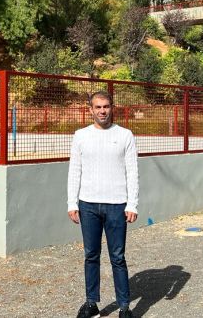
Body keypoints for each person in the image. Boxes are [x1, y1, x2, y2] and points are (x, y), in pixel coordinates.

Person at [67, 91, 139, 318]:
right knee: (91, 255)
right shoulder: (80, 135)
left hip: (117, 205)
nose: (102, 111)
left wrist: (132, 204)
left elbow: (132, 172)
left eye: (106, 106)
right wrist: (72, 202)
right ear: (90, 110)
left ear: (112, 108)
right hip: (87, 204)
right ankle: (91, 303)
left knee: (118, 256)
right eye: (97, 107)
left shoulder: (125, 135)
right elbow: (74, 170)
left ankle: (125, 307)